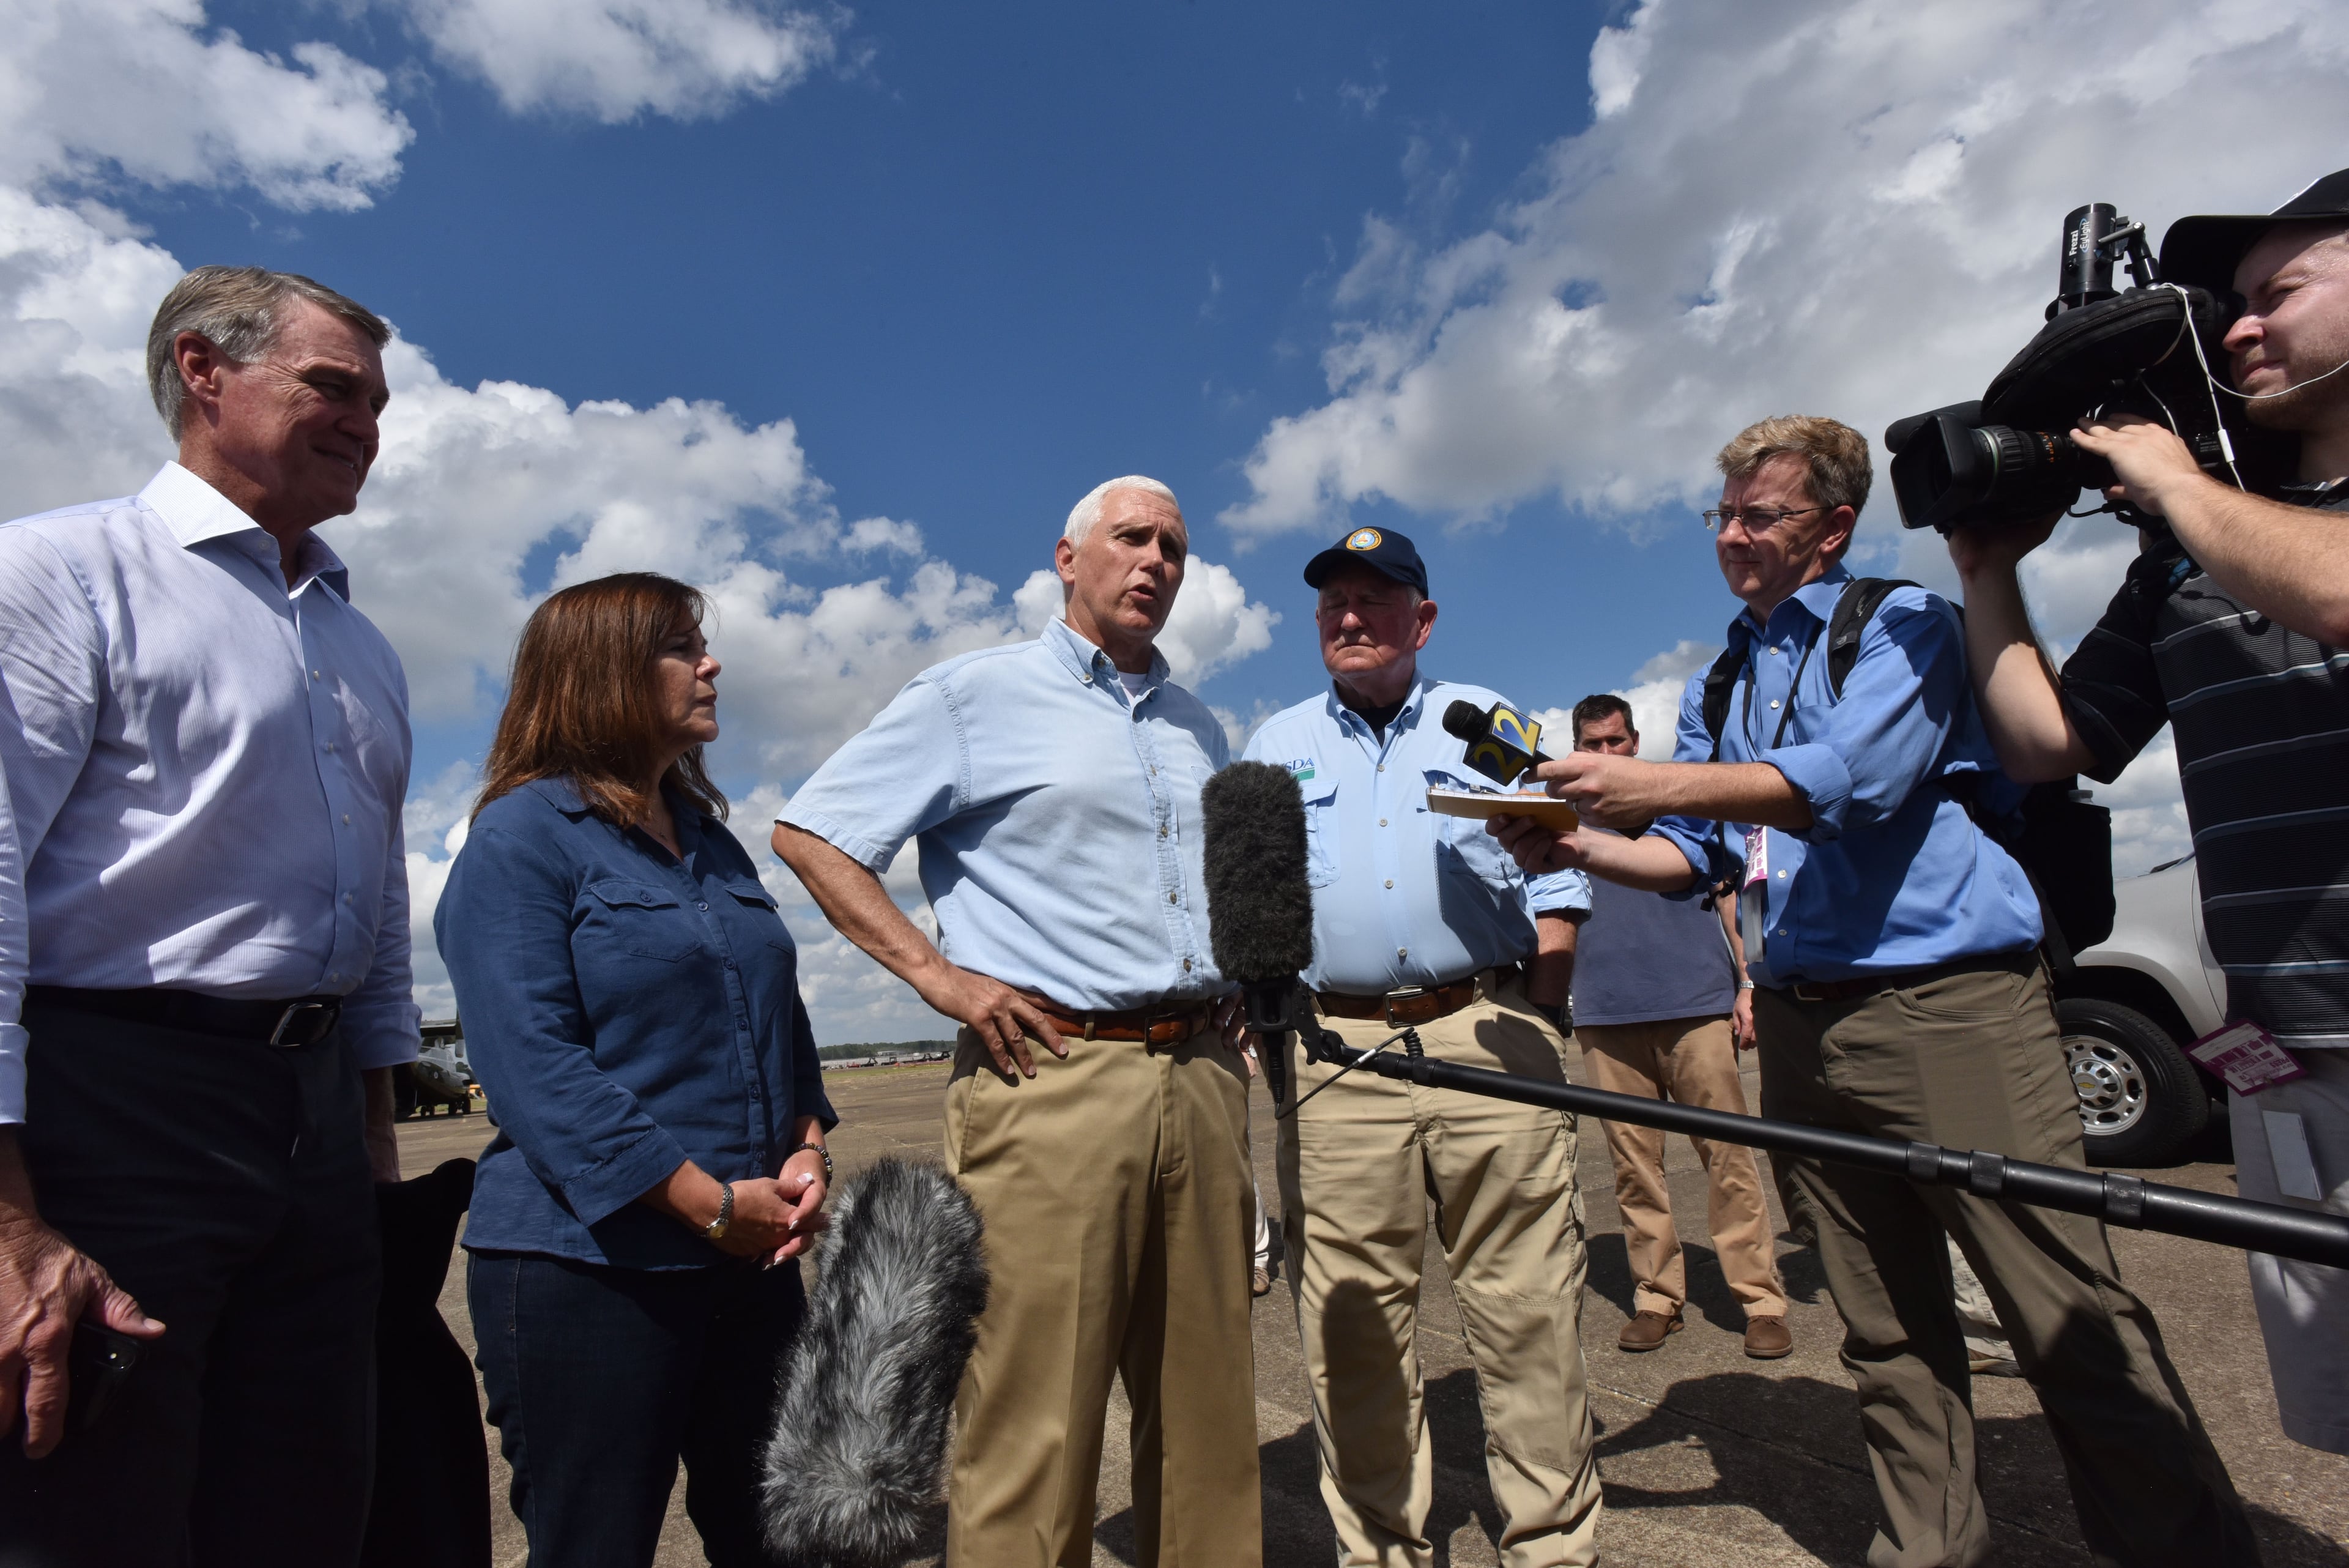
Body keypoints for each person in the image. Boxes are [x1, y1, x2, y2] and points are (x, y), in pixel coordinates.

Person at [1494, 415, 2254, 1568]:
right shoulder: (1729, 672)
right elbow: (1699, 853)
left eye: (1765, 515)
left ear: (1835, 527)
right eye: (1726, 516)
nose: (1735, 536)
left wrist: (1644, 779)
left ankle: (2184, 1550)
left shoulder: (1903, 622)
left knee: (2067, 1317)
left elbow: (1846, 783)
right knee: (1884, 1329)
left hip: (1948, 1011)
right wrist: (1581, 847)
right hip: (1805, 1027)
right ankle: (1925, 1549)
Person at [0, 266, 416, 1567]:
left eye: (378, 403)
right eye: (332, 388)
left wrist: (368, 1146)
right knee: (99, 1514)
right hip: (115, 1108)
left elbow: (379, 909)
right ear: (202, 371)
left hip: (310, 1126)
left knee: (306, 1506)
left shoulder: (360, 642)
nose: (367, 425)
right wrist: (9, 1223)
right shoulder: (60, 577)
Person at [774, 477, 1260, 1567]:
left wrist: (1230, 963)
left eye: (1175, 547)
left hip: (1202, 1076)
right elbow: (814, 831)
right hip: (1053, 1073)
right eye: (1131, 539)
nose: (1156, 563)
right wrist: (939, 977)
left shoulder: (1197, 724)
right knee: (1034, 1415)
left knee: (1211, 1405)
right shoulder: (973, 695)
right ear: (1068, 556)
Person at [1950, 169, 2349, 1458]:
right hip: (2287, 1050)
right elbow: (2047, 743)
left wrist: (2180, 489)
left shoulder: (2207, 521)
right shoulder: (2185, 558)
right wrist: (1987, 578)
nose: (2238, 331)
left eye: (2276, 294)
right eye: (2228, 308)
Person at [436, 573, 835, 1568]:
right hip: (592, 1269)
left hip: (752, 1264)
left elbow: (778, 1013)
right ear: (602, 672)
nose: (711, 664)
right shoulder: (522, 838)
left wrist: (808, 1146)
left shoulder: (711, 841)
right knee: (595, 1543)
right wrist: (707, 1203)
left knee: (789, 1539)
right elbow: (534, 1068)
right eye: (679, 647)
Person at [1241, 526, 1603, 1568]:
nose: (1351, 617)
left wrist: (1541, 1008)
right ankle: (1382, 1547)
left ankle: (1550, 1545)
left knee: (1529, 1306)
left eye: (1377, 598)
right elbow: (1251, 910)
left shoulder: (1480, 719)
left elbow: (1560, 871)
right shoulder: (1276, 743)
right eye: (1333, 605)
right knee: (1352, 1327)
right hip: (1339, 1047)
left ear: (1423, 619)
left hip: (1487, 1028)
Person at [1564, 693, 1791, 1359]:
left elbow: (1740, 894)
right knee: (1635, 1169)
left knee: (1728, 1159)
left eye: (1616, 741)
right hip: (1606, 1015)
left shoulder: (1683, 803)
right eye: (1592, 743)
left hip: (1697, 1007)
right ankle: (1657, 1298)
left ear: (1636, 741)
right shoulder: (1563, 825)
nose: (1606, 753)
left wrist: (1750, 982)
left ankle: (1761, 1300)